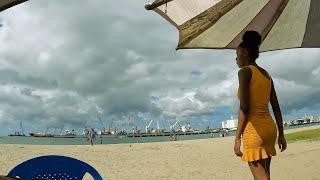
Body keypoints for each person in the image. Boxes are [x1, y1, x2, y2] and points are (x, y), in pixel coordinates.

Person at [234, 31, 287, 180]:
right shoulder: (266, 75)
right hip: (269, 129)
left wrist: (237, 139)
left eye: (237, 54)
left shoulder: (244, 72)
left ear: (244, 52)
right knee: (265, 175)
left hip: (254, 131)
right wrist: (281, 134)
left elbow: (244, 107)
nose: (235, 58)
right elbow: (276, 106)